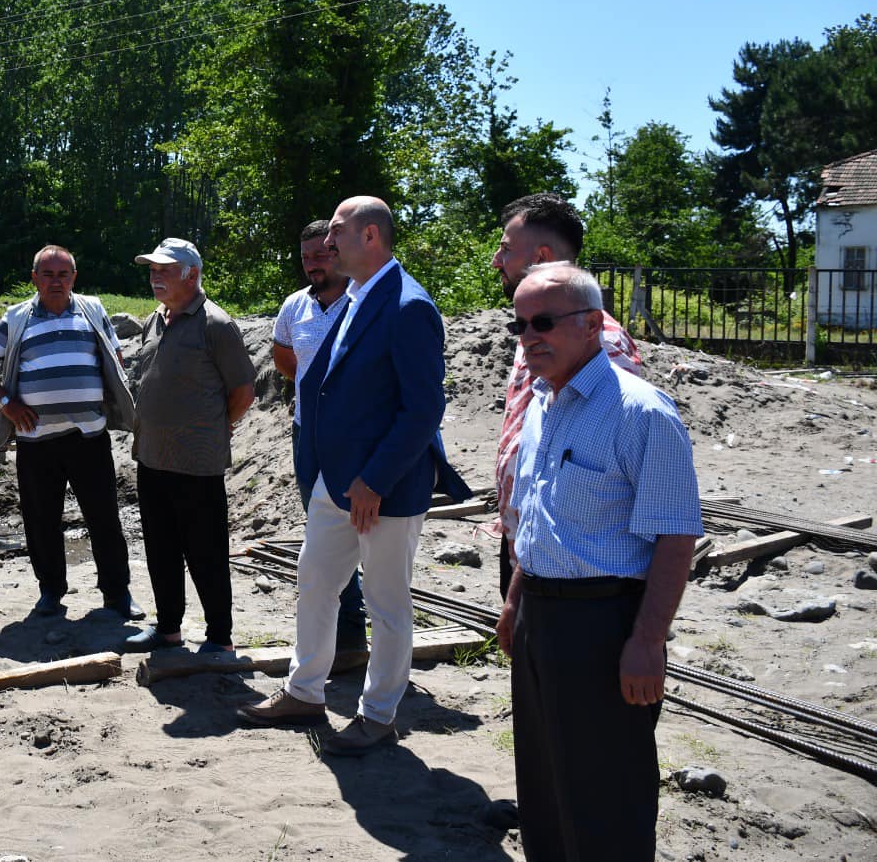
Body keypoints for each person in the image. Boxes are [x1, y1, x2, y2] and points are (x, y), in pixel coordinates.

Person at [239, 197, 466, 754]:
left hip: (383, 490)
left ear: (370, 236)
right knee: (315, 581)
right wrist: (320, 469)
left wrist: (376, 480)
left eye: (336, 231)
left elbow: (421, 410)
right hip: (334, 481)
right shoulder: (356, 298)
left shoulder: (409, 306)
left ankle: (379, 714)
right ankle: (305, 691)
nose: (327, 243)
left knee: (386, 604)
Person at [495, 263, 701, 861]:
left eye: (543, 322)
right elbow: (537, 516)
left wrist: (648, 641)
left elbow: (675, 534)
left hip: (604, 623)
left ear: (591, 325)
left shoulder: (641, 413)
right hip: (540, 617)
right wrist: (515, 603)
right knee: (545, 780)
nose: (529, 336)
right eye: (520, 323)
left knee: (605, 790)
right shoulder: (541, 402)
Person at [0, 245, 144, 620]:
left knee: (104, 517)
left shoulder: (93, 310)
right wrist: (6, 404)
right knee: (41, 520)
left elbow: (115, 357)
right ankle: (51, 592)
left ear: (74, 278)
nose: (56, 281)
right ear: (34, 278)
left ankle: (117, 593)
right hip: (36, 442)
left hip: (89, 438)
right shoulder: (16, 318)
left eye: (63, 274)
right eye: (47, 274)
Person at [488, 193, 641, 600]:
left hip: (579, 568)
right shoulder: (539, 332)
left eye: (505, 248)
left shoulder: (600, 343)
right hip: (532, 548)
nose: (495, 261)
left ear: (540, 256)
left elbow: (612, 467)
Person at [124, 238, 256, 655]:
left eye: (164, 269)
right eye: (152, 269)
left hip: (197, 463)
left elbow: (243, 391)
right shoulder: (155, 320)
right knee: (160, 549)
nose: (155, 276)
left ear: (192, 275)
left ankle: (218, 637)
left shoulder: (216, 325)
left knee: (206, 554)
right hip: (152, 458)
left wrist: (215, 426)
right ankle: (167, 630)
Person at [272, 220, 367, 656]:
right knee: (321, 532)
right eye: (306, 255)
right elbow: (284, 356)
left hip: (355, 440)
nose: (312, 263)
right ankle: (340, 638)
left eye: (321, 254)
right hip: (307, 435)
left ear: (338, 252)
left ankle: (354, 631)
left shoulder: (363, 303)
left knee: (362, 532)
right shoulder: (295, 306)